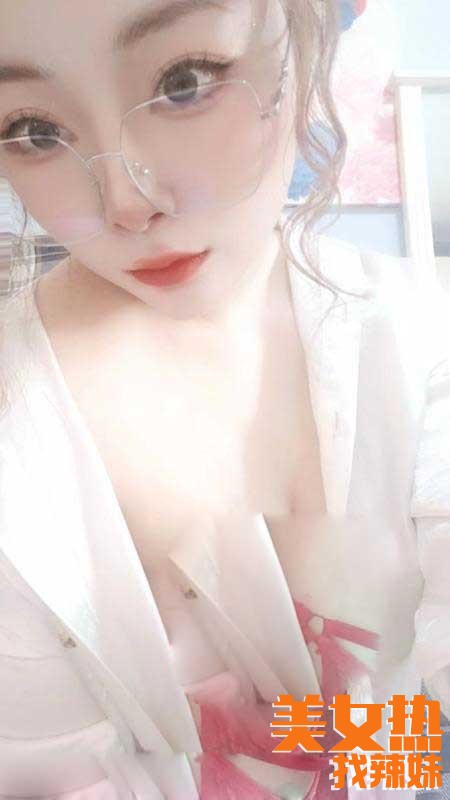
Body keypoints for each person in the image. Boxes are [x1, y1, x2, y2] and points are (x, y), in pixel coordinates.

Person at [0, 0, 449, 798]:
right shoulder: (18, 413)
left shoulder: (418, 335)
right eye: (33, 130)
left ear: (302, 36)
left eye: (185, 82)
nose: (126, 202)